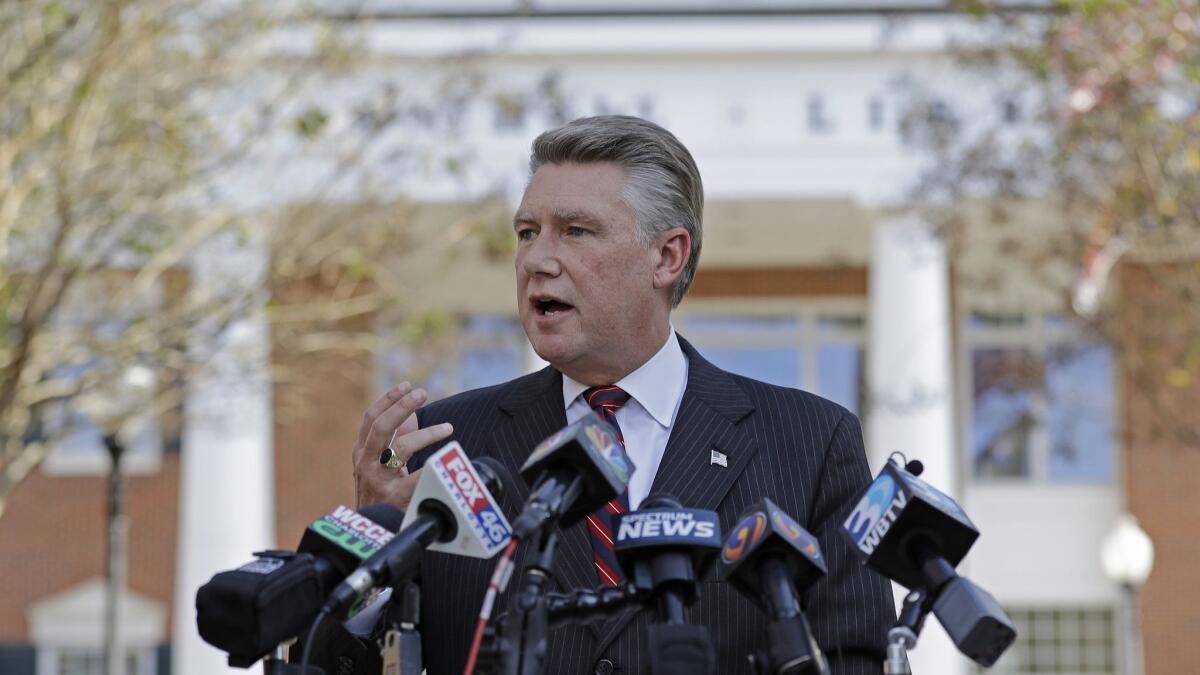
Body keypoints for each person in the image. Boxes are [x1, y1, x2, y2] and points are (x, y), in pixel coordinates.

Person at [351, 115, 894, 674]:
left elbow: (854, 660)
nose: (537, 260)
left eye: (576, 231)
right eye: (527, 232)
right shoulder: (447, 447)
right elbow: (353, 660)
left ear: (667, 257)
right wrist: (374, 541)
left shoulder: (809, 443)